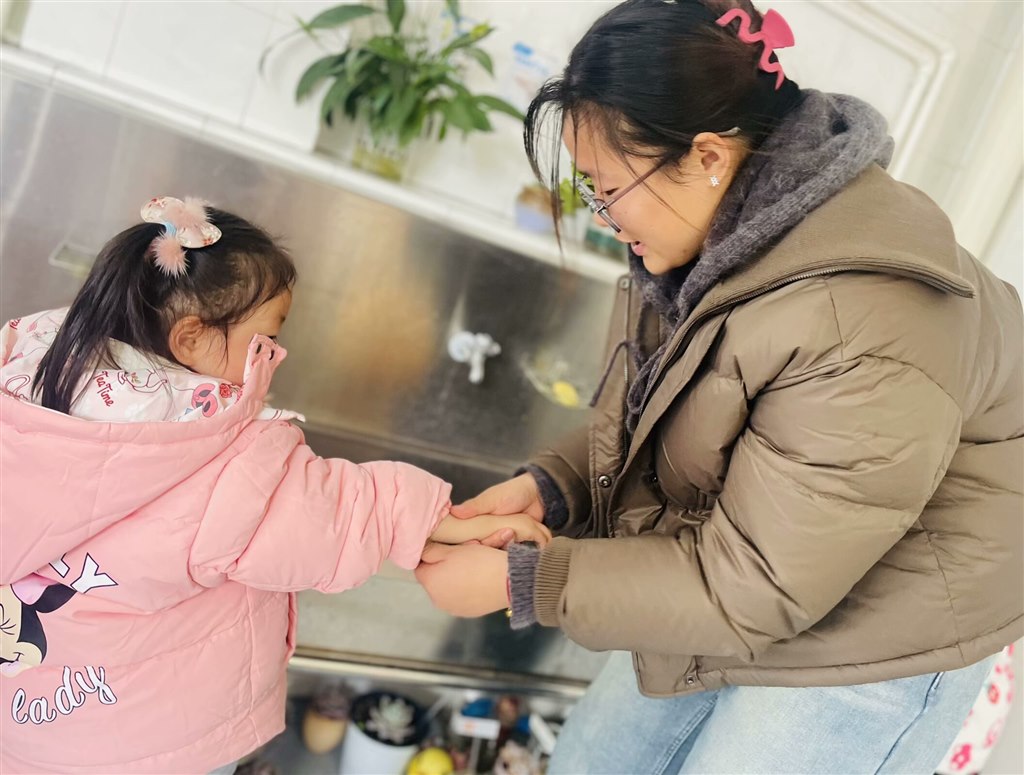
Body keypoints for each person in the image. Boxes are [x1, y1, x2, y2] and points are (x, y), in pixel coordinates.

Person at [414, 1, 1024, 771]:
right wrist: (554, 487)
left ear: (706, 155)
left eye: (606, 188)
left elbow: (758, 584)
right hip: (753, 561)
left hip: (881, 631)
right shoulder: (713, 240)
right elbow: (672, 407)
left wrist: (526, 581)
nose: (602, 217)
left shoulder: (858, 317)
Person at [0, 196, 546, 774]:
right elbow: (335, 512)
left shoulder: (31, 391)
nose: (276, 356)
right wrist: (453, 520)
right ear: (190, 340)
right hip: (151, 741)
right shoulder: (214, 460)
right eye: (266, 339)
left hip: (37, 720)